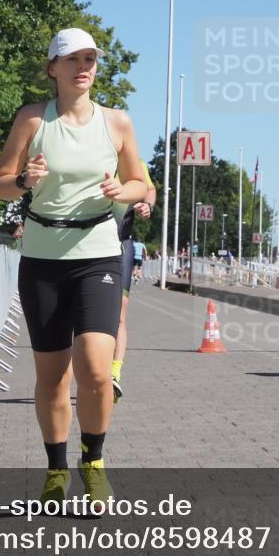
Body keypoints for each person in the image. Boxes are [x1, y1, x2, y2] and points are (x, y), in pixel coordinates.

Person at [0, 27, 147, 511]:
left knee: (97, 370)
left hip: (97, 253)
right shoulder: (32, 118)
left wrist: (125, 191)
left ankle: (93, 462)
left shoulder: (117, 122)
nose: (83, 67)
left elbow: (141, 183)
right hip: (42, 259)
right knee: (52, 377)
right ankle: (56, 470)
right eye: (73, 59)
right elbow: (0, 184)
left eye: (90, 59)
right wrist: (24, 179)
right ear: (52, 68)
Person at [110, 163, 156, 403]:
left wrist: (148, 205)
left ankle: (114, 373)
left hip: (121, 243)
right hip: (88, 245)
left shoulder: (133, 162)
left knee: (120, 312)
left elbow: (150, 189)